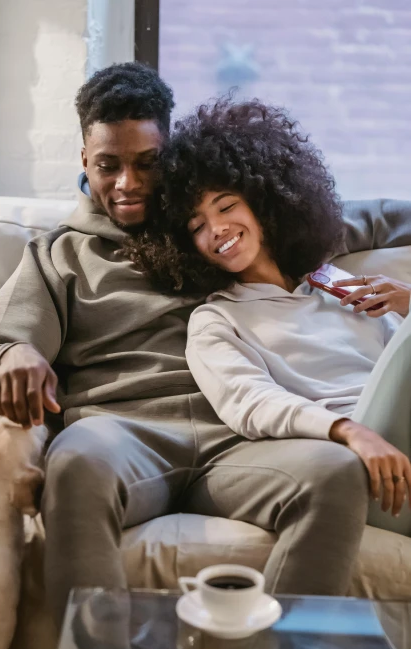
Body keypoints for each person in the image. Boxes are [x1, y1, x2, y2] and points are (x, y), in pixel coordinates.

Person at [0, 63, 411, 627]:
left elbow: (356, 218)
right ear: (85, 160)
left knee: (333, 472)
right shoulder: (58, 255)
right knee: (77, 461)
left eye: (146, 163)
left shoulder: (216, 225)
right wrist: (15, 357)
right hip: (126, 431)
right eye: (108, 165)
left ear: (168, 153)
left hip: (240, 440)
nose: (127, 183)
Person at [127, 97, 411, 537]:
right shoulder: (216, 321)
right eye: (196, 225)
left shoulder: (336, 282)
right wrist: (351, 432)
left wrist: (408, 305)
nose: (216, 229)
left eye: (225, 207)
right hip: (366, 458)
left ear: (263, 200)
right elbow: (253, 405)